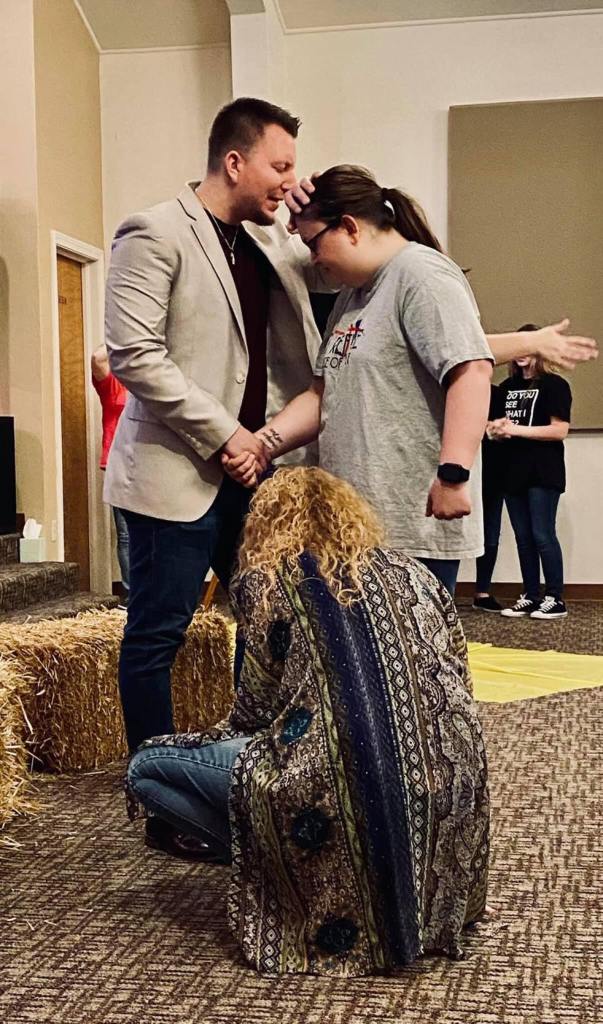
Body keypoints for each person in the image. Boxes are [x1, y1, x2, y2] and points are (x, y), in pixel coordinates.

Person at [127, 467, 490, 976]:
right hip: (450, 786)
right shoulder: (416, 574)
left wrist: (195, 741)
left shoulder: (266, 582)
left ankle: (288, 872)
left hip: (333, 786)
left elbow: (252, 716)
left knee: (147, 769)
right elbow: (459, 680)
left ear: (263, 524)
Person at [223, 166, 597, 596]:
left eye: (313, 243)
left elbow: (471, 371)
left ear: (350, 227)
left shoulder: (423, 275)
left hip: (409, 524)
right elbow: (323, 393)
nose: (313, 259)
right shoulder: (354, 294)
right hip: (352, 523)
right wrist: (262, 444)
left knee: (413, 642)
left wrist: (453, 476)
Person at [103, 98, 334, 757]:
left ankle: (244, 768)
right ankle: (154, 785)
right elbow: (134, 355)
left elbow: (332, 291)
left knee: (266, 629)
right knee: (158, 637)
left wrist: (308, 216)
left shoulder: (272, 242)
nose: (289, 180)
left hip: (258, 476)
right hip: (174, 476)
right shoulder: (153, 231)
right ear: (234, 163)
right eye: (279, 166)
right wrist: (227, 435)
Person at [490, 326, 572, 619]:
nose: (521, 353)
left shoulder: (555, 385)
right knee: (523, 537)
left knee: (542, 534)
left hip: (543, 471)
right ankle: (530, 595)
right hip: (512, 472)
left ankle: (555, 598)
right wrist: (495, 430)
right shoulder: (507, 387)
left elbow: (559, 430)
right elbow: (498, 427)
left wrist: (516, 429)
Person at [91, 345, 130, 607]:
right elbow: (98, 357)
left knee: (154, 533)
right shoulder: (112, 385)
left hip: (149, 464)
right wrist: (125, 332)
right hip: (118, 464)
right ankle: (131, 595)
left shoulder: (147, 386)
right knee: (126, 535)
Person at [472, 384, 505, 611]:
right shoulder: (446, 388)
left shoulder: (498, 393)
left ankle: (482, 591)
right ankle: (441, 591)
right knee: (445, 532)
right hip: (456, 473)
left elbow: (503, 431)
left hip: (492, 472)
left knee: (489, 533)